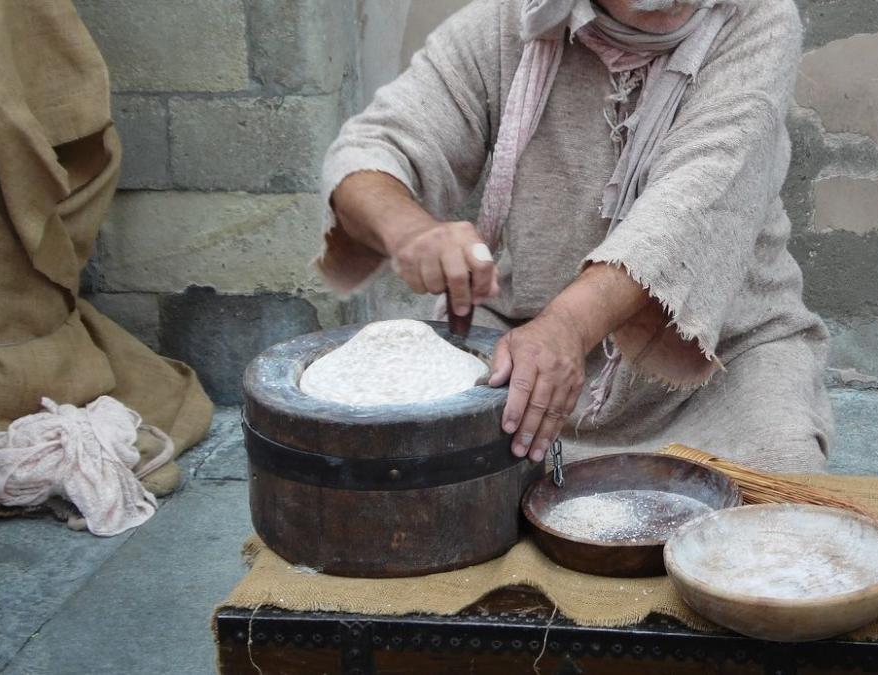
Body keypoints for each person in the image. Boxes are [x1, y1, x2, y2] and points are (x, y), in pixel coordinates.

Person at [316, 0, 832, 472]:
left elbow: (688, 208)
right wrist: (410, 231)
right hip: (524, 347)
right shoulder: (513, 21)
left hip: (723, 360)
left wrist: (566, 326)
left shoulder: (757, 17)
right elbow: (372, 148)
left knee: (780, 494)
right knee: (432, 492)